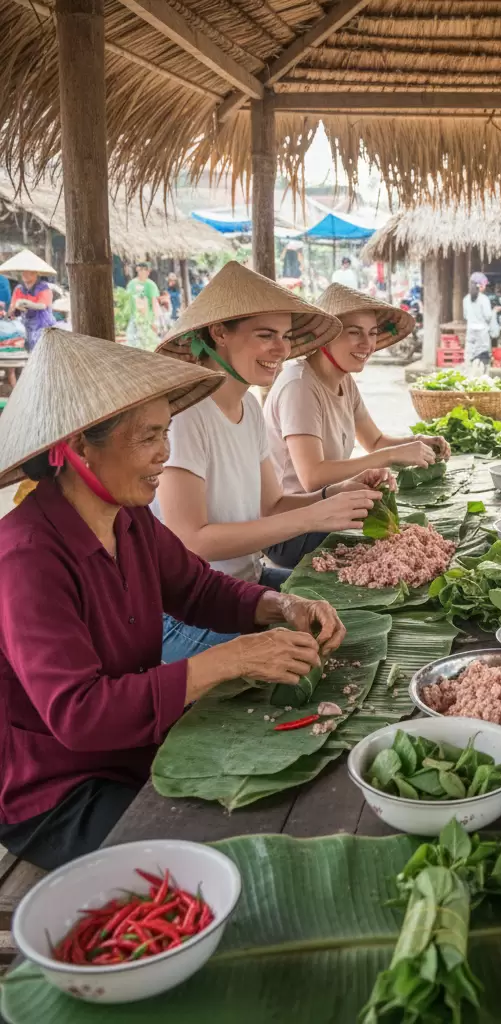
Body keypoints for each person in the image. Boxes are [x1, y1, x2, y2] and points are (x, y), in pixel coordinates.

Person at [0, 327, 346, 867]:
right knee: (229, 863)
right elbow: (80, 714)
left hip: (136, 749)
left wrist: (279, 606)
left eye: (166, 433)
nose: (166, 453)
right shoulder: (25, 557)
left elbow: (198, 588)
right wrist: (230, 658)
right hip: (60, 791)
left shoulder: (131, 518)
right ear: (77, 447)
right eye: (148, 438)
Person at [152, 261, 386, 660]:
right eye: (265, 335)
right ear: (219, 332)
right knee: (318, 660)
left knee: (365, 614)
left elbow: (271, 505)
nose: (280, 349)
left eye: (284, 336)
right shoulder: (187, 414)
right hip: (184, 610)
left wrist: (333, 494)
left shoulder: (248, 406)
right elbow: (190, 541)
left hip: (247, 584)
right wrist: (315, 517)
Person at [263, 283, 450, 565]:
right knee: (402, 546)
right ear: (324, 335)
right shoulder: (299, 385)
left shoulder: (344, 381)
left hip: (328, 507)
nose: (368, 344)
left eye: (372, 333)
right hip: (290, 530)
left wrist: (416, 443)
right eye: (354, 333)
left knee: (419, 531)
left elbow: (375, 442)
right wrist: (388, 456)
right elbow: (312, 476)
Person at [0, 249, 57, 352]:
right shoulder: (19, 289)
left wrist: (25, 302)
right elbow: (11, 311)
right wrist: (15, 307)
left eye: (29, 271)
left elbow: (42, 306)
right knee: (26, 348)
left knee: (40, 350)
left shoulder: (44, 288)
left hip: (43, 325)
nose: (25, 274)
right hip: (26, 324)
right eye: (23, 271)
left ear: (36, 273)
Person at [126, 261, 162, 351]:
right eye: (140, 269)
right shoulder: (131, 284)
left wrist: (155, 321)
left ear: (148, 272)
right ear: (137, 270)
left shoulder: (151, 285)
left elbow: (154, 303)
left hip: (147, 319)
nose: (142, 272)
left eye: (145, 270)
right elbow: (127, 301)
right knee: (132, 344)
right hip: (134, 318)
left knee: (148, 344)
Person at [463, 271, 494, 372]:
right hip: (482, 332)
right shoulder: (484, 299)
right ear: (480, 285)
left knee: (470, 357)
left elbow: (466, 316)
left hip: (470, 330)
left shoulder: (466, 299)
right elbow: (488, 316)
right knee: (483, 359)